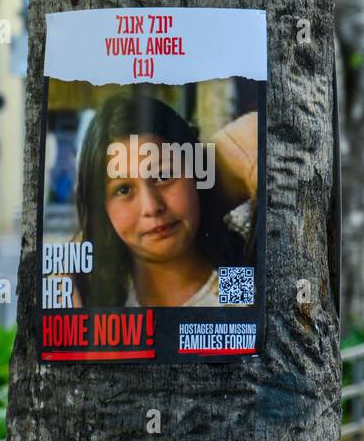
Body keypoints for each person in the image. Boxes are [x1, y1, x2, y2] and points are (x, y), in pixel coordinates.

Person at [68, 91, 257, 308]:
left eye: (163, 176)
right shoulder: (91, 301)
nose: (152, 207)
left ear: (196, 172)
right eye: (123, 190)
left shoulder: (238, 289)